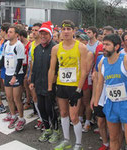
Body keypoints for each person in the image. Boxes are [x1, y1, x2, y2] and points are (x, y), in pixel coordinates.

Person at [48, 20, 87, 150]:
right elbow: (52, 69)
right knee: (63, 113)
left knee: (74, 116)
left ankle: (78, 144)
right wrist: (50, 88)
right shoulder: (56, 48)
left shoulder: (81, 47)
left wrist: (78, 90)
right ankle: (66, 140)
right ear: (60, 32)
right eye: (63, 29)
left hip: (75, 86)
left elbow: (85, 71)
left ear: (73, 31)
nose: (66, 32)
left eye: (69, 29)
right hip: (61, 84)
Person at [94, 34, 127, 150]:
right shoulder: (102, 62)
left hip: (125, 104)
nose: (104, 47)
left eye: (107, 45)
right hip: (111, 104)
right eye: (103, 44)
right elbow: (99, 84)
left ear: (117, 46)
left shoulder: (125, 60)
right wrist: (96, 101)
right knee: (113, 138)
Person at [29, 21, 60, 143]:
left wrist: (53, 83)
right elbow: (35, 67)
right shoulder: (36, 49)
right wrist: (32, 81)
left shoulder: (55, 47)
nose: (42, 36)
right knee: (41, 108)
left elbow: (57, 68)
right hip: (39, 83)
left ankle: (56, 131)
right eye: (41, 33)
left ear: (50, 35)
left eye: (45, 34)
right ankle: (47, 129)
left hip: (50, 85)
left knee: (50, 108)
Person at [0, 25, 26, 131]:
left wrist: (15, 76)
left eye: (11, 32)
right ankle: (13, 116)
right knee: (9, 97)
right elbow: (3, 59)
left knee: (17, 98)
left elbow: (20, 62)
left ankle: (21, 118)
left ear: (16, 34)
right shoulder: (6, 44)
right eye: (8, 32)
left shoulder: (19, 45)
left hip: (17, 74)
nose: (8, 33)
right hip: (7, 73)